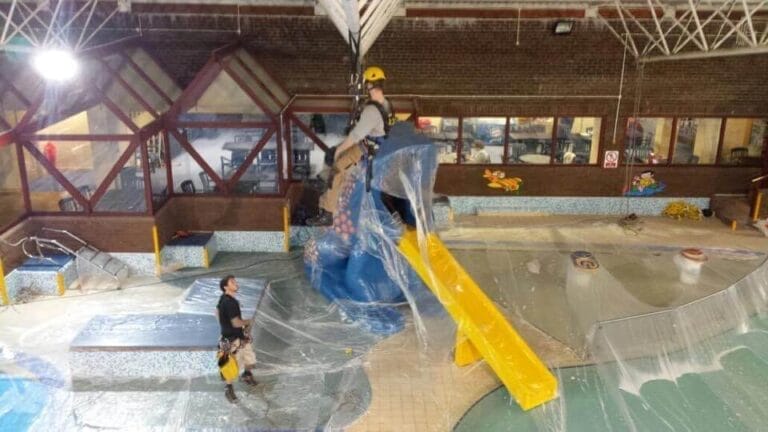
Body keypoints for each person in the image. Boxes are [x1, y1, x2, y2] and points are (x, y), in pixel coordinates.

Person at [306, 66, 396, 226]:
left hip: (367, 149)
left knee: (338, 169)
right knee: (340, 157)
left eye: (366, 85)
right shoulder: (387, 104)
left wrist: (338, 150)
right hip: (376, 146)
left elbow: (355, 136)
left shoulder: (371, 111)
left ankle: (327, 213)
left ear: (369, 85)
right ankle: (324, 182)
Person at [216, 275, 258, 403]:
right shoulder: (230, 303)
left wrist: (224, 325)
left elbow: (216, 312)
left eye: (235, 281)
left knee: (250, 358)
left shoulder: (224, 299)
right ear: (225, 287)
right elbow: (236, 323)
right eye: (232, 282)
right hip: (232, 340)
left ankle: (247, 375)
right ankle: (228, 389)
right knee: (231, 368)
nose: (235, 283)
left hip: (239, 337)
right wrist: (248, 322)